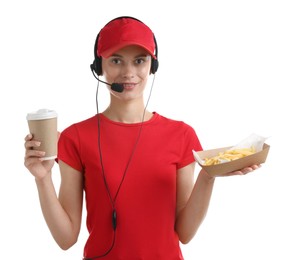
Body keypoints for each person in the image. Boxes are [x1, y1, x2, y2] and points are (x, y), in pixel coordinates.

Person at [24, 16, 260, 260]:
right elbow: (66, 239)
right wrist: (43, 179)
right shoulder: (75, 138)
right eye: (116, 61)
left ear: (152, 66)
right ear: (99, 66)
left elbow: (185, 233)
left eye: (139, 61)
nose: (129, 73)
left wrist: (208, 176)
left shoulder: (182, 135)